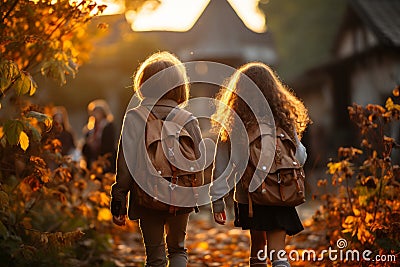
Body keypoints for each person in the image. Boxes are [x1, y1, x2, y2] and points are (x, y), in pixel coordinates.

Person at [209, 62, 310, 267]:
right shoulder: (283, 121)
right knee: (278, 252)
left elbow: (221, 167)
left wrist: (217, 201)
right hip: (281, 192)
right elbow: (299, 157)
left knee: (258, 248)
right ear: (274, 90)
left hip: (250, 199)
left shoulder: (233, 124)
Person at [110, 51, 204, 267]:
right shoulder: (187, 119)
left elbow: (125, 165)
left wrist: (119, 199)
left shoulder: (135, 117)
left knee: (155, 256)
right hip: (181, 192)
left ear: (144, 83)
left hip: (147, 195)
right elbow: (199, 161)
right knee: (178, 250)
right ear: (180, 86)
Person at [82, 99, 116, 173]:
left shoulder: (108, 126)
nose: (96, 114)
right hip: (92, 159)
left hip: (105, 159)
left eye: (98, 112)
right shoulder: (90, 128)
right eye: (94, 112)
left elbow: (109, 144)